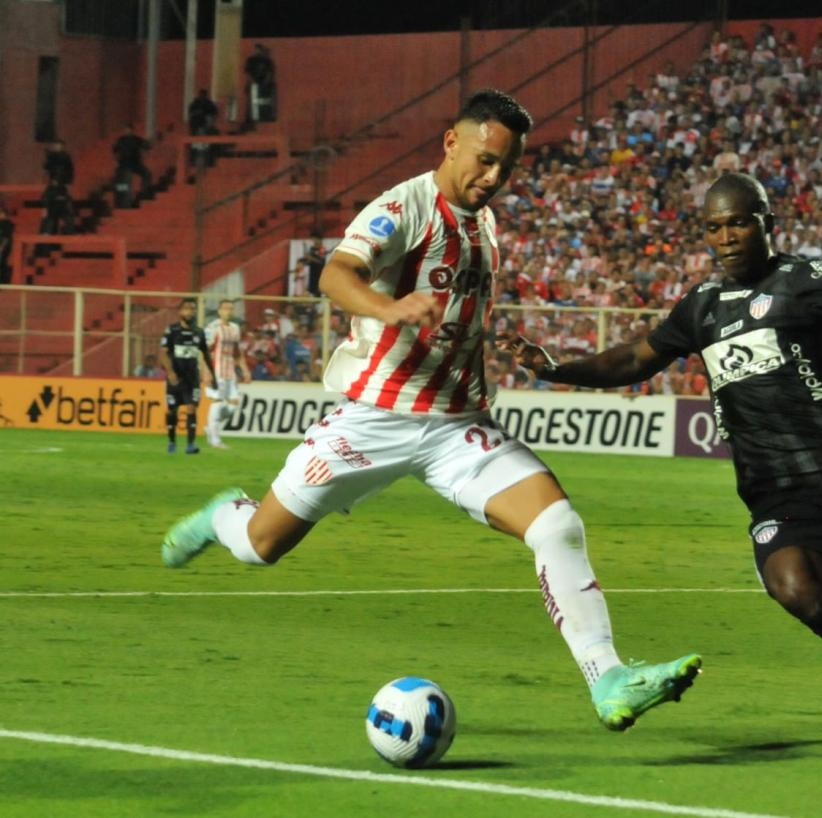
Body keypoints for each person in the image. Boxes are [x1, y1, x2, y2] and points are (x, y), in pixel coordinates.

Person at [160, 89, 701, 731]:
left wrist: (514, 350)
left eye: (507, 167)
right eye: (484, 159)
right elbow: (336, 274)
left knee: (556, 524)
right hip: (374, 420)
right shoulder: (404, 206)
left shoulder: (484, 221)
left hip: (457, 425)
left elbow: (457, 313)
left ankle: (609, 679)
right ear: (451, 142)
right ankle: (226, 513)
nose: (494, 177)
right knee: (260, 546)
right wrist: (388, 309)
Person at [504, 172, 822, 720]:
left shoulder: (804, 279)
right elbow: (634, 359)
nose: (726, 237)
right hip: (778, 490)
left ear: (767, 225)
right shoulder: (701, 307)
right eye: (714, 227)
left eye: (738, 223)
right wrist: (557, 369)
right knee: (797, 591)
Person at [161, 297, 216, 454]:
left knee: (192, 408)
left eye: (192, 309)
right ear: (180, 311)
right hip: (175, 378)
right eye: (187, 308)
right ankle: (172, 442)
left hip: (192, 378)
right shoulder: (172, 330)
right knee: (172, 410)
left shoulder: (199, 332)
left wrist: (213, 375)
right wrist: (170, 372)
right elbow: (163, 354)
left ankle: (190, 445)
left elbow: (206, 354)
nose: (190, 312)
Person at [204, 299, 251, 448]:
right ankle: (215, 440)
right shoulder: (212, 327)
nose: (228, 311)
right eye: (225, 309)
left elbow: (237, 352)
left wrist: (245, 369)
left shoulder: (235, 328)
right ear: (219, 311)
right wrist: (206, 372)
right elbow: (205, 351)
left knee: (233, 405)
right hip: (216, 370)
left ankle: (211, 428)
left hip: (230, 371)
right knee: (218, 402)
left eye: (231, 309)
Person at [113, 125, 152, 206]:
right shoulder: (121, 140)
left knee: (147, 174)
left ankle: (143, 192)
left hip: (135, 163)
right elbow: (115, 150)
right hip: (124, 165)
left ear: (132, 130)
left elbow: (147, 146)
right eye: (126, 130)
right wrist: (116, 159)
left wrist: (147, 145)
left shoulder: (136, 139)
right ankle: (123, 199)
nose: (127, 131)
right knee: (123, 182)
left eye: (128, 130)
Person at [244, 44, 277, 126]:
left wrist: (265, 83)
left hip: (264, 86)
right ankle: (251, 120)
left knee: (264, 102)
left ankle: (261, 118)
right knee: (252, 103)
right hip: (254, 85)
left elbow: (270, 73)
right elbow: (248, 73)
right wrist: (252, 82)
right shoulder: (251, 60)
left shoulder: (267, 61)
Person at [0, 204, 13, 285]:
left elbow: (6, 237)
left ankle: (3, 282)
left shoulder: (7, 224)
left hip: (3, 248)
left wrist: (1, 247)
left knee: (2, 263)